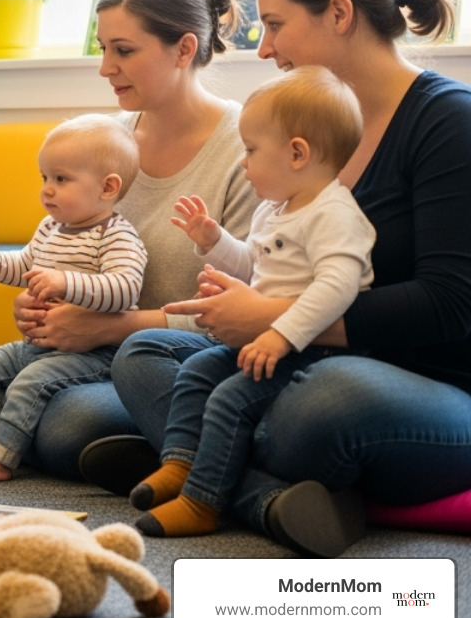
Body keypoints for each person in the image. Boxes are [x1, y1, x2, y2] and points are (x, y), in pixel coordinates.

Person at [91, 0, 471, 557]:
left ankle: (192, 462)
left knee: (325, 405)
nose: (264, 48)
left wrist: (273, 318)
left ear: (339, 14)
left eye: (274, 25)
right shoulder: (305, 132)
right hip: (303, 358)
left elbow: (451, 305)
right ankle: (261, 494)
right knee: (144, 354)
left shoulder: (448, 120)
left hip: (423, 389)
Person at [0, 0, 260, 479]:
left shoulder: (246, 149)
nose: (106, 68)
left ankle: (136, 447)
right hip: (81, 354)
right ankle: (105, 451)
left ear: (183, 49)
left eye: (123, 50)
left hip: (169, 363)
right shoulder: (106, 140)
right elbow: (61, 252)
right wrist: (39, 306)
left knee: (71, 421)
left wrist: (112, 326)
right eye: (103, 48)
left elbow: (239, 314)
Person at [130, 65, 374, 538]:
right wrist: (215, 241)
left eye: (251, 150)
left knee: (230, 400)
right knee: (198, 371)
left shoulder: (334, 214)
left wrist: (281, 335)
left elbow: (338, 286)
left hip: (315, 351)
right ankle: (180, 463)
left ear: (297, 153)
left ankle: (202, 502)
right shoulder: (273, 208)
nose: (243, 162)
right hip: (268, 342)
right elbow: (251, 265)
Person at [0, 114, 147, 485]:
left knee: (31, 383)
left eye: (61, 179)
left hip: (96, 353)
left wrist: (64, 282)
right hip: (39, 346)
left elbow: (125, 288)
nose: (47, 190)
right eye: (45, 177)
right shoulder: (50, 228)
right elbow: (24, 266)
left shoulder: (117, 236)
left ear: (108, 187)